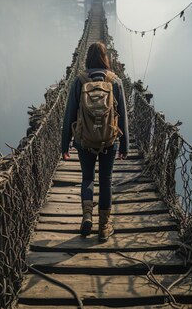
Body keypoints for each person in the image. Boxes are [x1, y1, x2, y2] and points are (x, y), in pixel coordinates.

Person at [61, 42, 129, 242]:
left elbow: (69, 115)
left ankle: (87, 216)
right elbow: (123, 115)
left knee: (87, 178)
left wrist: (64, 145)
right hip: (109, 139)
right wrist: (124, 146)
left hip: (84, 140)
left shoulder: (79, 81)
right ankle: (104, 226)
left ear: (86, 59)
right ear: (106, 58)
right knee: (106, 180)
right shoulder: (115, 81)